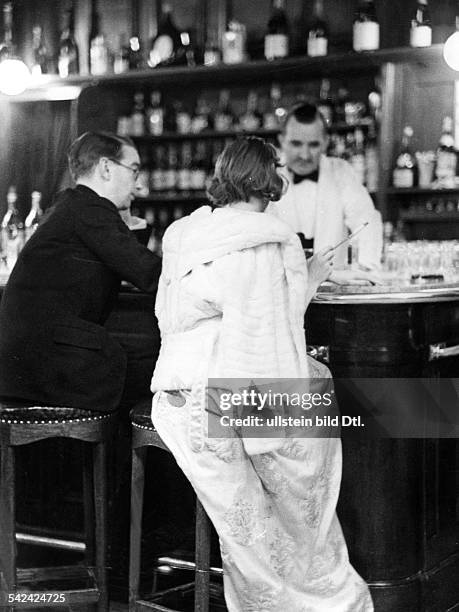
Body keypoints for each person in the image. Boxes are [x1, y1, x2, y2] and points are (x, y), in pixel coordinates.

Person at [150, 137, 373, 611]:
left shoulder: (186, 231)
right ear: (268, 178)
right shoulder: (268, 238)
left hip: (174, 394)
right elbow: (267, 336)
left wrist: (305, 272)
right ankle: (313, 595)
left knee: (248, 519)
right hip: (224, 396)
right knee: (298, 475)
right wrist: (307, 276)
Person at [0, 131, 161, 413]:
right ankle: (127, 457)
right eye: (134, 171)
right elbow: (150, 273)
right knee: (169, 370)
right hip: (49, 365)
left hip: (26, 363)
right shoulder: (90, 209)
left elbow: (125, 261)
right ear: (106, 167)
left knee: (155, 365)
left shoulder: (71, 204)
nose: (138, 186)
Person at [267, 102, 383, 277]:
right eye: (296, 144)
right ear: (282, 140)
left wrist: (366, 269)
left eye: (313, 145)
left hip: (332, 289)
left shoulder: (341, 171)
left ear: (325, 142)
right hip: (280, 291)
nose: (305, 155)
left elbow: (367, 221)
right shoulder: (267, 175)